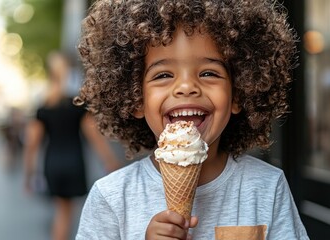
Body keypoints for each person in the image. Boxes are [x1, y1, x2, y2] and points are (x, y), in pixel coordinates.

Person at [73, 0, 309, 239]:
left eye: (209, 73)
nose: (186, 87)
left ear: (238, 92)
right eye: (163, 75)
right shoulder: (111, 197)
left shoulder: (268, 187)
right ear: (135, 99)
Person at [23, 51, 121, 240]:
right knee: (65, 214)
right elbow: (95, 138)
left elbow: (31, 144)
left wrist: (28, 175)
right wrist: (110, 162)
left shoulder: (42, 107)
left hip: (52, 163)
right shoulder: (77, 105)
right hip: (74, 162)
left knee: (62, 212)